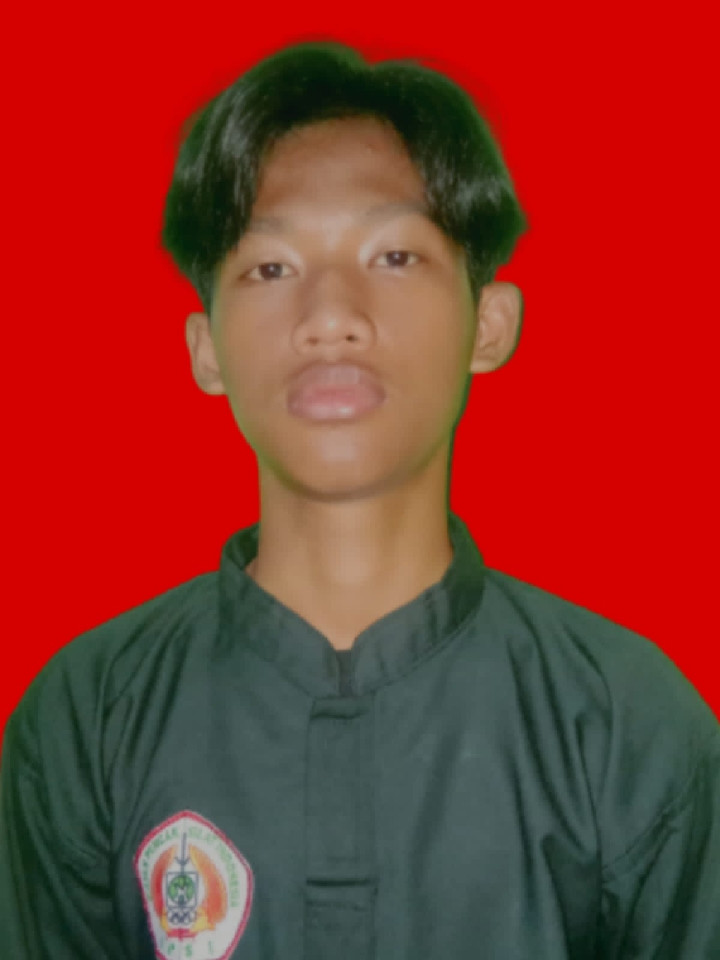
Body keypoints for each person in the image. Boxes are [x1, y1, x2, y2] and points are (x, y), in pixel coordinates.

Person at [1, 41, 718, 960]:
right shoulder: (87, 717)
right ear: (204, 348)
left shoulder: (626, 723)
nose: (331, 315)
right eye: (270, 268)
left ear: (490, 323)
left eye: (394, 255)